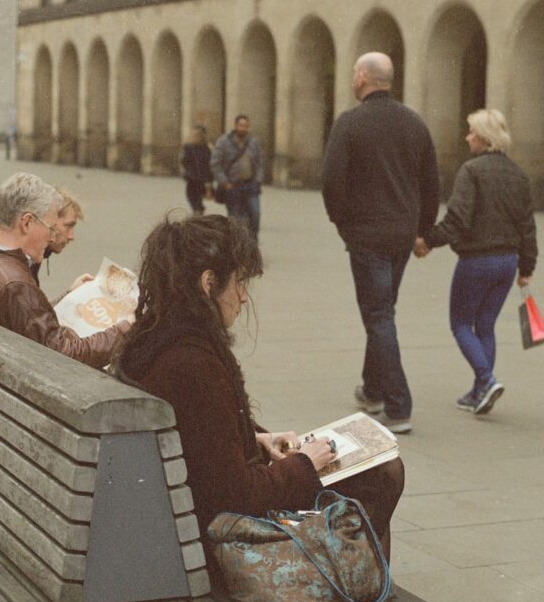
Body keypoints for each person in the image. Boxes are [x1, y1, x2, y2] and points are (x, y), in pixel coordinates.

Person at [114, 214, 404, 582]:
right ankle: (353, 583)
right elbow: (234, 494)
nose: (243, 296)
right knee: (383, 473)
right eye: (238, 283)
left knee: (370, 467)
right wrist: (303, 464)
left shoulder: (157, 335)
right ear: (208, 283)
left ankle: (355, 578)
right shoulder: (192, 361)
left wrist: (255, 438)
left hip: (184, 513)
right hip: (216, 537)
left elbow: (200, 434)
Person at [321, 52, 440, 435]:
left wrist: (343, 224)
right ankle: (372, 390)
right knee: (382, 310)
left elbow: (331, 182)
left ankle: (398, 405)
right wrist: (423, 229)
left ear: (361, 78)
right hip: (401, 234)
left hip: (367, 235)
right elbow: (431, 183)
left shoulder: (350, 124)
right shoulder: (414, 123)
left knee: (378, 315)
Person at [413, 109, 537, 415]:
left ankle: (487, 379)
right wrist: (527, 267)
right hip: (507, 262)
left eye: (471, 132)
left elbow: (457, 220)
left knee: (460, 324)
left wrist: (427, 240)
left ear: (483, 137)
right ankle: (478, 393)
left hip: (477, 262)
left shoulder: (472, 171)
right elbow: (527, 225)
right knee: (485, 325)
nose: (467, 137)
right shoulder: (518, 175)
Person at [0, 173, 127, 368]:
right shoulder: (14, 283)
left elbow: (28, 320)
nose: (52, 238)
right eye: (51, 228)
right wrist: (124, 330)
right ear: (26, 223)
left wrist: (69, 296)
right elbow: (64, 355)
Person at [210, 115, 264, 241]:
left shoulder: (253, 142)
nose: (243, 128)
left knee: (255, 214)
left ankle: (252, 243)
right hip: (232, 185)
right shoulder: (223, 142)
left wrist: (258, 180)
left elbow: (260, 162)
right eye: (241, 125)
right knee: (235, 218)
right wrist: (224, 182)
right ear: (235, 126)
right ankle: (236, 245)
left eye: (246, 126)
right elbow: (215, 163)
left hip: (250, 185)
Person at [181, 126, 212, 216]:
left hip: (197, 178)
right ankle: (198, 211)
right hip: (196, 178)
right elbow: (184, 161)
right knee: (193, 197)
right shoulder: (190, 147)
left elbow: (208, 164)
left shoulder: (204, 148)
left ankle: (198, 211)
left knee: (194, 197)